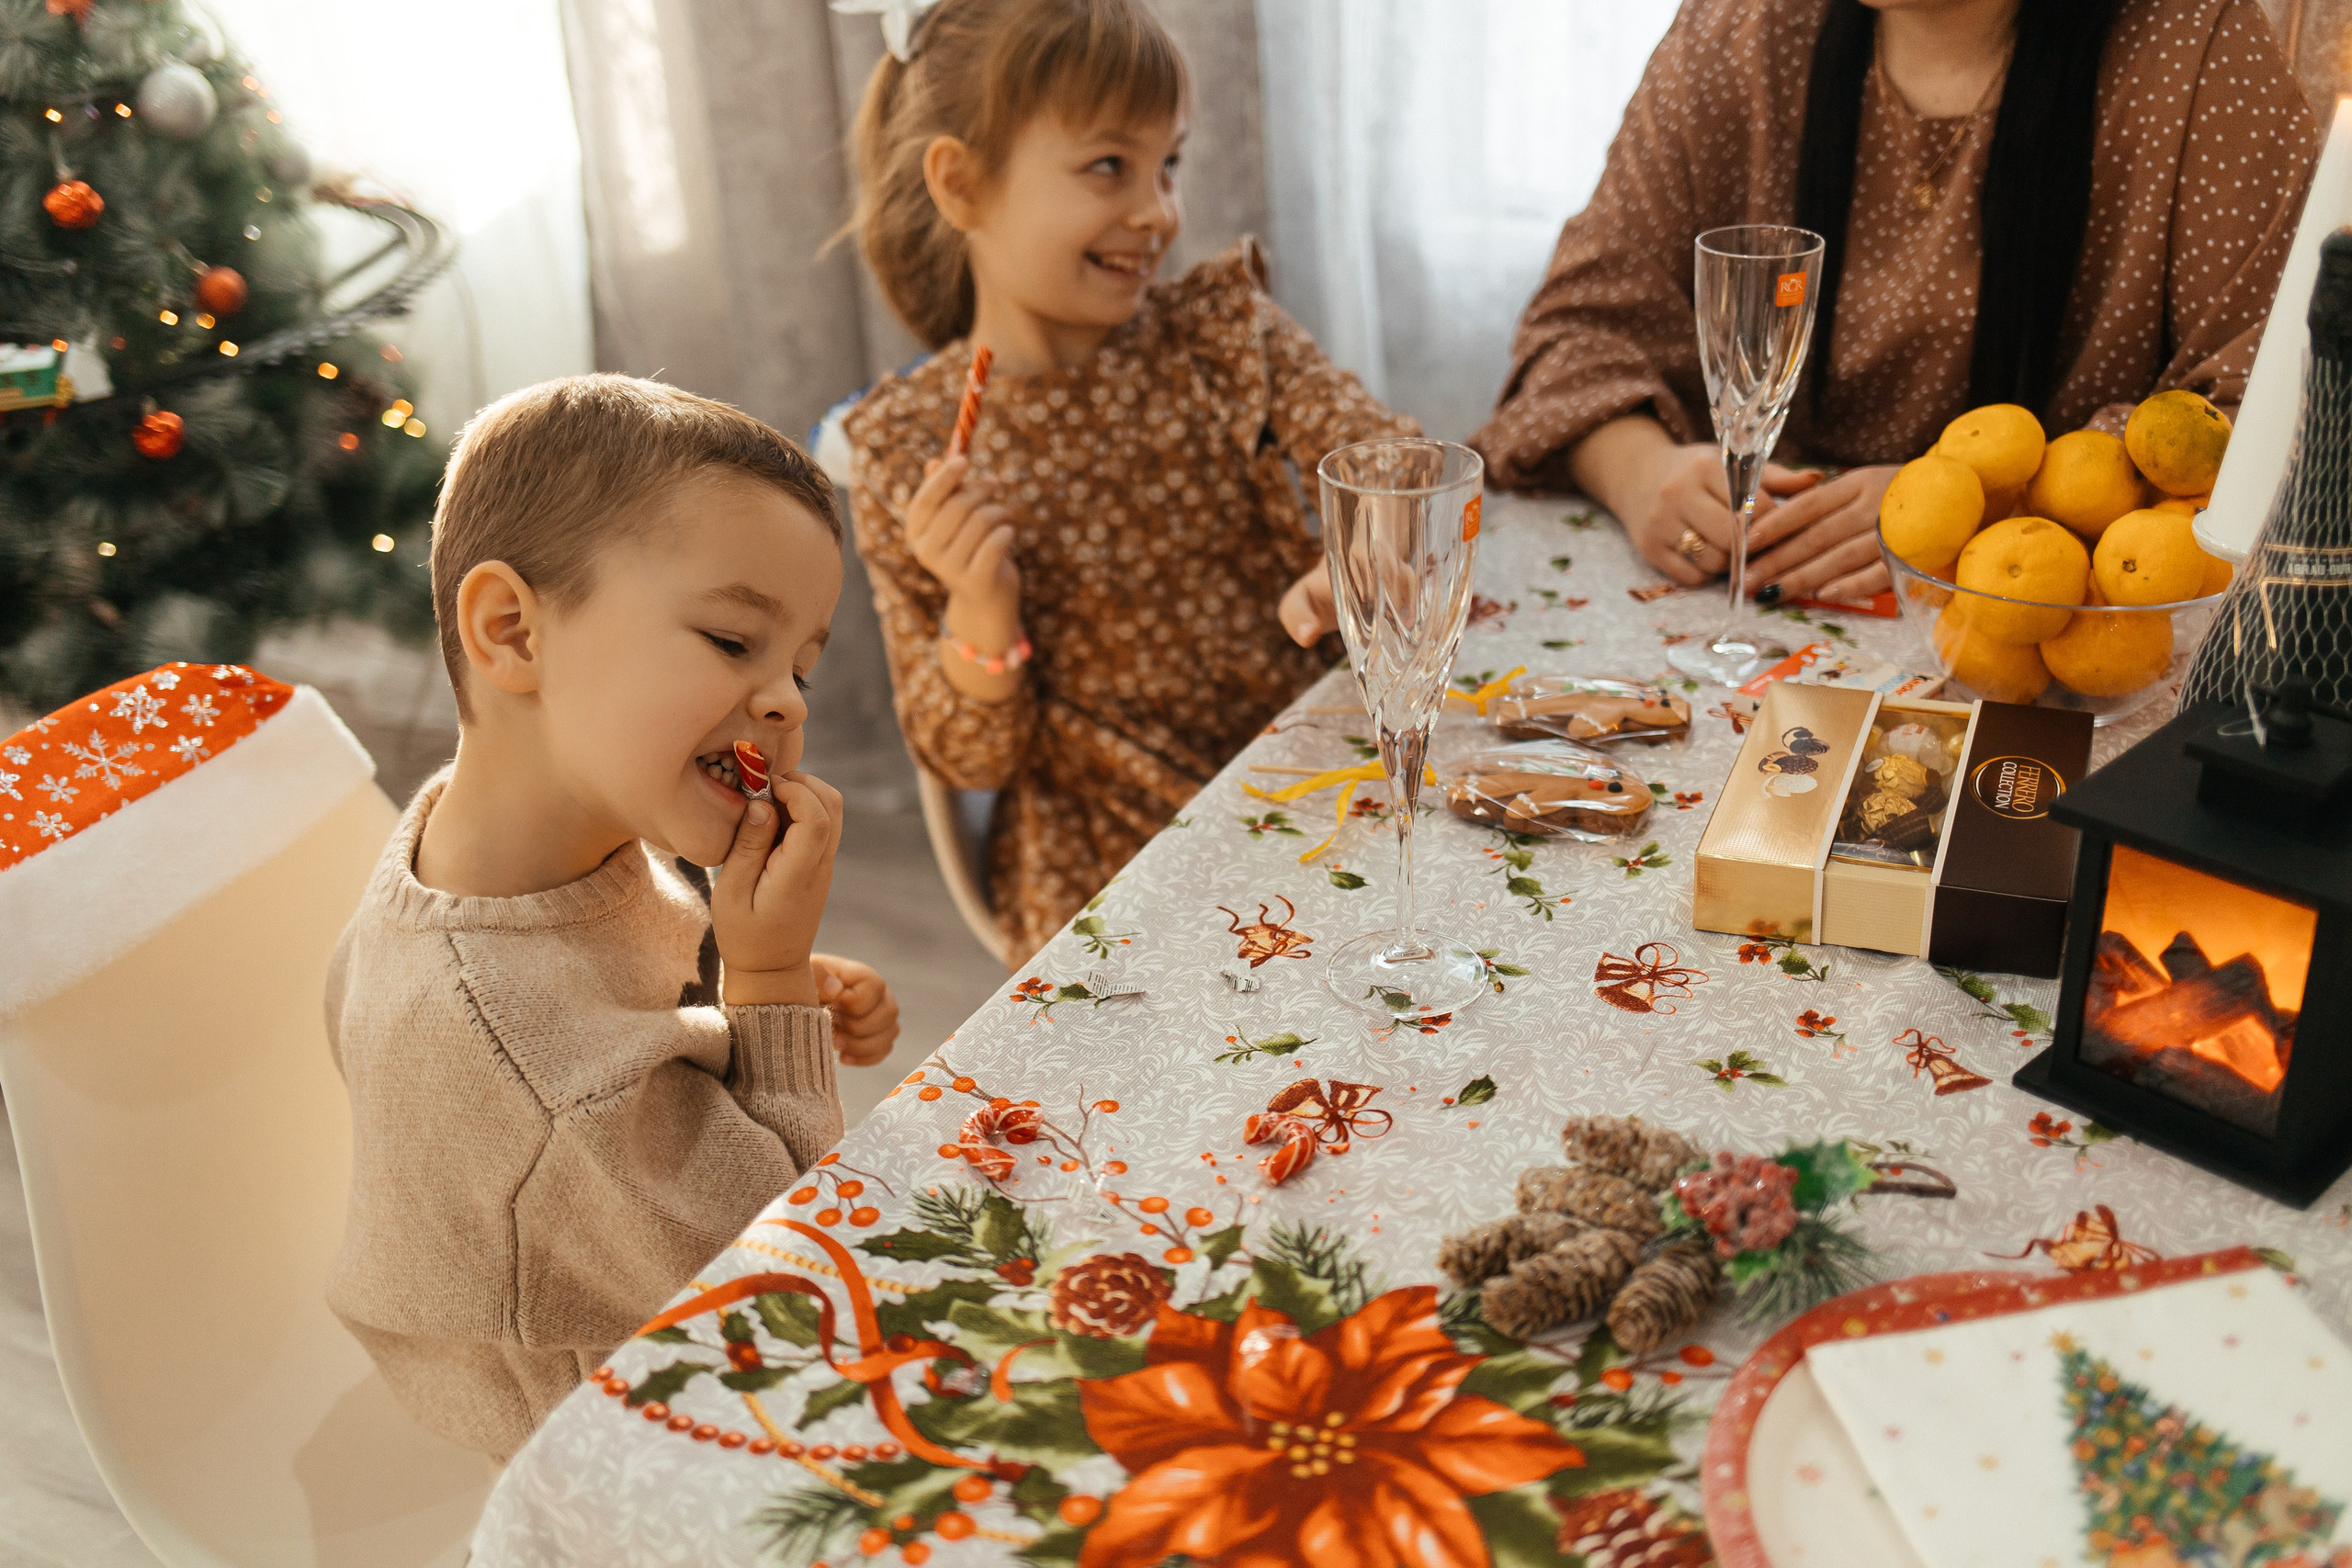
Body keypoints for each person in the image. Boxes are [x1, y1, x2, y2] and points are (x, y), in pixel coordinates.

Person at [325, 376, 899, 1461]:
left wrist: (745, 1006)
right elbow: (795, 1295)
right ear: (513, 633)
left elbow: (618, 1006)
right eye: (734, 643)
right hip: (629, 1460)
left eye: (801, 669)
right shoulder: (523, 1051)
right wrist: (768, 989)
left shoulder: (489, 846)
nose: (785, 703)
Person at [841, 0, 1414, 965]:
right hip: (1118, 881)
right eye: (1109, 165)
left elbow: (1393, 464)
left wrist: (1368, 548)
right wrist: (981, 611)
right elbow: (968, 758)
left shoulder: (1225, 335)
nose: (1157, 210)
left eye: (1168, 164)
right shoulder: (907, 448)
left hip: (1316, 793)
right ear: (962, 183)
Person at [1469, 0, 2318, 608]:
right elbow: (1577, 328)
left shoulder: (2196, 47)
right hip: (1748, 584)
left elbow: (2271, 414)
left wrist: (1964, 504)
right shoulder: (1740, 30)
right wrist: (1641, 473)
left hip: (2035, 626)